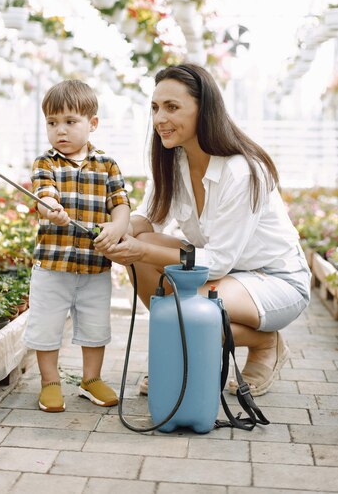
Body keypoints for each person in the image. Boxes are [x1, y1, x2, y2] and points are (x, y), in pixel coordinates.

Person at [104, 64, 311, 397]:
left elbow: (217, 263)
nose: (159, 118)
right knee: (141, 247)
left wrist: (140, 249)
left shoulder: (241, 171)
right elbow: (148, 218)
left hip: (273, 280)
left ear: (205, 110)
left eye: (172, 107)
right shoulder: (174, 159)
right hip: (222, 275)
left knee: (177, 301)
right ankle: (186, 341)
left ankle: (263, 341)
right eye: (155, 108)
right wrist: (115, 230)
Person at [24, 80, 130, 412]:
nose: (61, 131)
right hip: (53, 266)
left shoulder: (107, 165)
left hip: (94, 266)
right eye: (53, 123)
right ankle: (50, 382)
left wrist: (117, 226)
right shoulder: (46, 163)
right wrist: (50, 210)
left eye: (70, 121)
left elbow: (121, 204)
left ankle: (91, 378)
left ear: (92, 124)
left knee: (95, 324)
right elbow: (45, 195)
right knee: (47, 322)